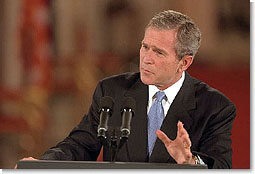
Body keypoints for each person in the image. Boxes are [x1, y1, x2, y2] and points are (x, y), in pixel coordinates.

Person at [18, 10, 236, 169]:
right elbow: (80, 145)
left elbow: (221, 166)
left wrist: (190, 161)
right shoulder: (112, 91)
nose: (146, 59)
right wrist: (45, 164)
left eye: (158, 52)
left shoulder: (215, 107)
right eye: (145, 47)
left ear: (184, 63)